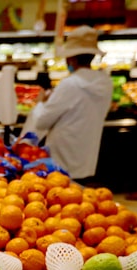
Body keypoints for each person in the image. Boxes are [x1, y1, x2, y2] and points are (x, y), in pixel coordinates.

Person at [22, 26, 113, 182]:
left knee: (62, 200)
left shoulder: (70, 84)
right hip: (87, 160)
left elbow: (43, 121)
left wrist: (41, 103)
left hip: (62, 160)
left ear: (72, 59)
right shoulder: (105, 83)